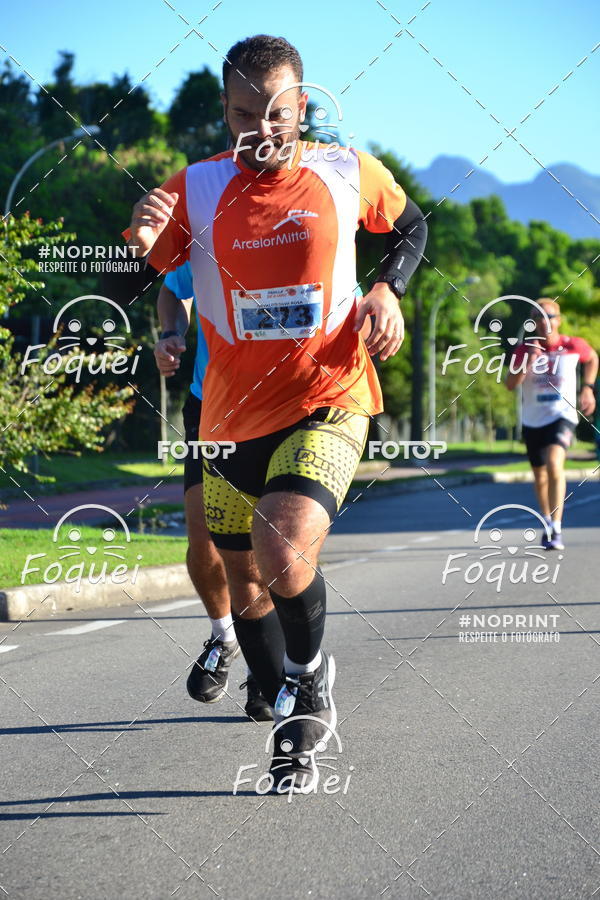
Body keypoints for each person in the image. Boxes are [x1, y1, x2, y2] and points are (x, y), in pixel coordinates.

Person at [126, 34, 427, 793]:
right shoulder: (193, 187)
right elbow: (150, 270)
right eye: (241, 114)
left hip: (330, 395)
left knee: (283, 546)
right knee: (245, 575)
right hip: (228, 416)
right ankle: (281, 691)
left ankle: (308, 691)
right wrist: (137, 236)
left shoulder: (346, 170)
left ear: (303, 105)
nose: (260, 129)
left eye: (278, 113)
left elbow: (413, 228)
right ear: (224, 111)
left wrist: (386, 289)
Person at [154, 261, 272, 721]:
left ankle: (266, 664)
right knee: (203, 540)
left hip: (285, 406)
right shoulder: (210, 218)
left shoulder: (307, 220)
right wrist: (169, 332)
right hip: (212, 406)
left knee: (271, 540)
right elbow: (172, 289)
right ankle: (224, 636)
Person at [506, 298, 598, 549]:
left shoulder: (572, 345)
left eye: (548, 316)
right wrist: (526, 362)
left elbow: (592, 358)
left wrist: (588, 388)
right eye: (537, 317)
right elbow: (510, 384)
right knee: (540, 476)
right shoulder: (524, 350)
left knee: (555, 464)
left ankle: (556, 528)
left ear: (558, 320)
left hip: (562, 415)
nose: (543, 321)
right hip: (533, 420)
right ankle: (546, 520)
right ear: (532, 322)